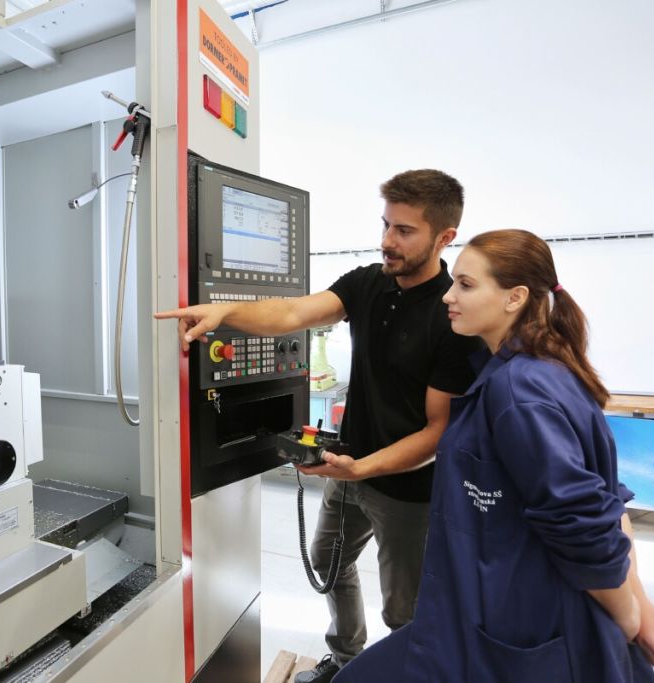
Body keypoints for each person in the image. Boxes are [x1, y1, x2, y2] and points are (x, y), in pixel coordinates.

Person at [155, 170, 483, 683]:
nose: (387, 240)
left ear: (444, 237)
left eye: (404, 231)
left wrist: (363, 469)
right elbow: (293, 313)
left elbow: (437, 431)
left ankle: (406, 674)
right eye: (385, 225)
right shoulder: (368, 283)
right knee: (328, 563)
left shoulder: (453, 316)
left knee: (405, 609)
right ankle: (348, 659)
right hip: (348, 470)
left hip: (407, 489)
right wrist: (223, 313)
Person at [334, 229, 654, 682]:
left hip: (519, 626)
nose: (448, 295)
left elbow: (584, 516)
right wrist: (636, 599)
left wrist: (628, 617)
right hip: (485, 609)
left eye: (466, 285)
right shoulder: (535, 370)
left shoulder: (518, 394)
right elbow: (608, 502)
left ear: (515, 297)